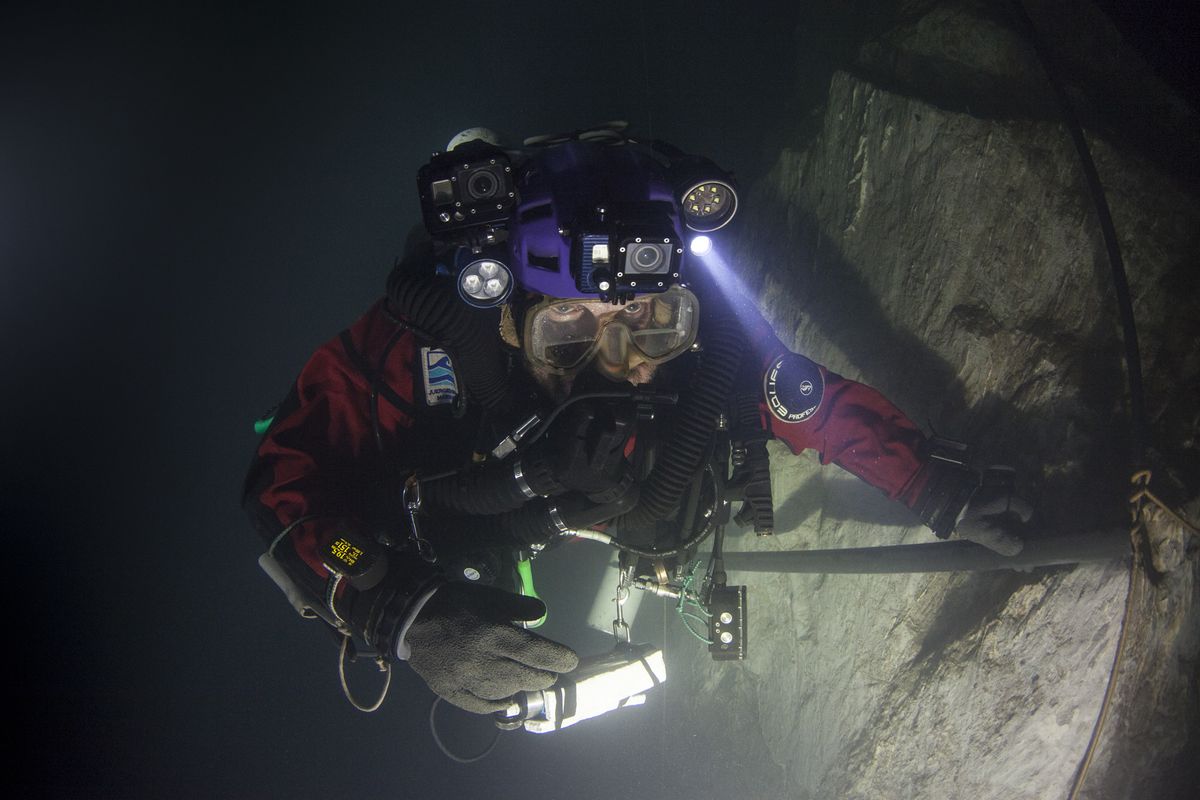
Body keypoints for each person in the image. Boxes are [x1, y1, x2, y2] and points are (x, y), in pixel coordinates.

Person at [242, 124, 1030, 717]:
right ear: (511, 321)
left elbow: (814, 405)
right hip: (486, 494)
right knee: (473, 557)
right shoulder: (418, 349)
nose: (621, 365)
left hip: (631, 500)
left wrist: (932, 485)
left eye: (649, 322)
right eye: (571, 333)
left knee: (676, 508)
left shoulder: (703, 348)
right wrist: (389, 602)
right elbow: (283, 486)